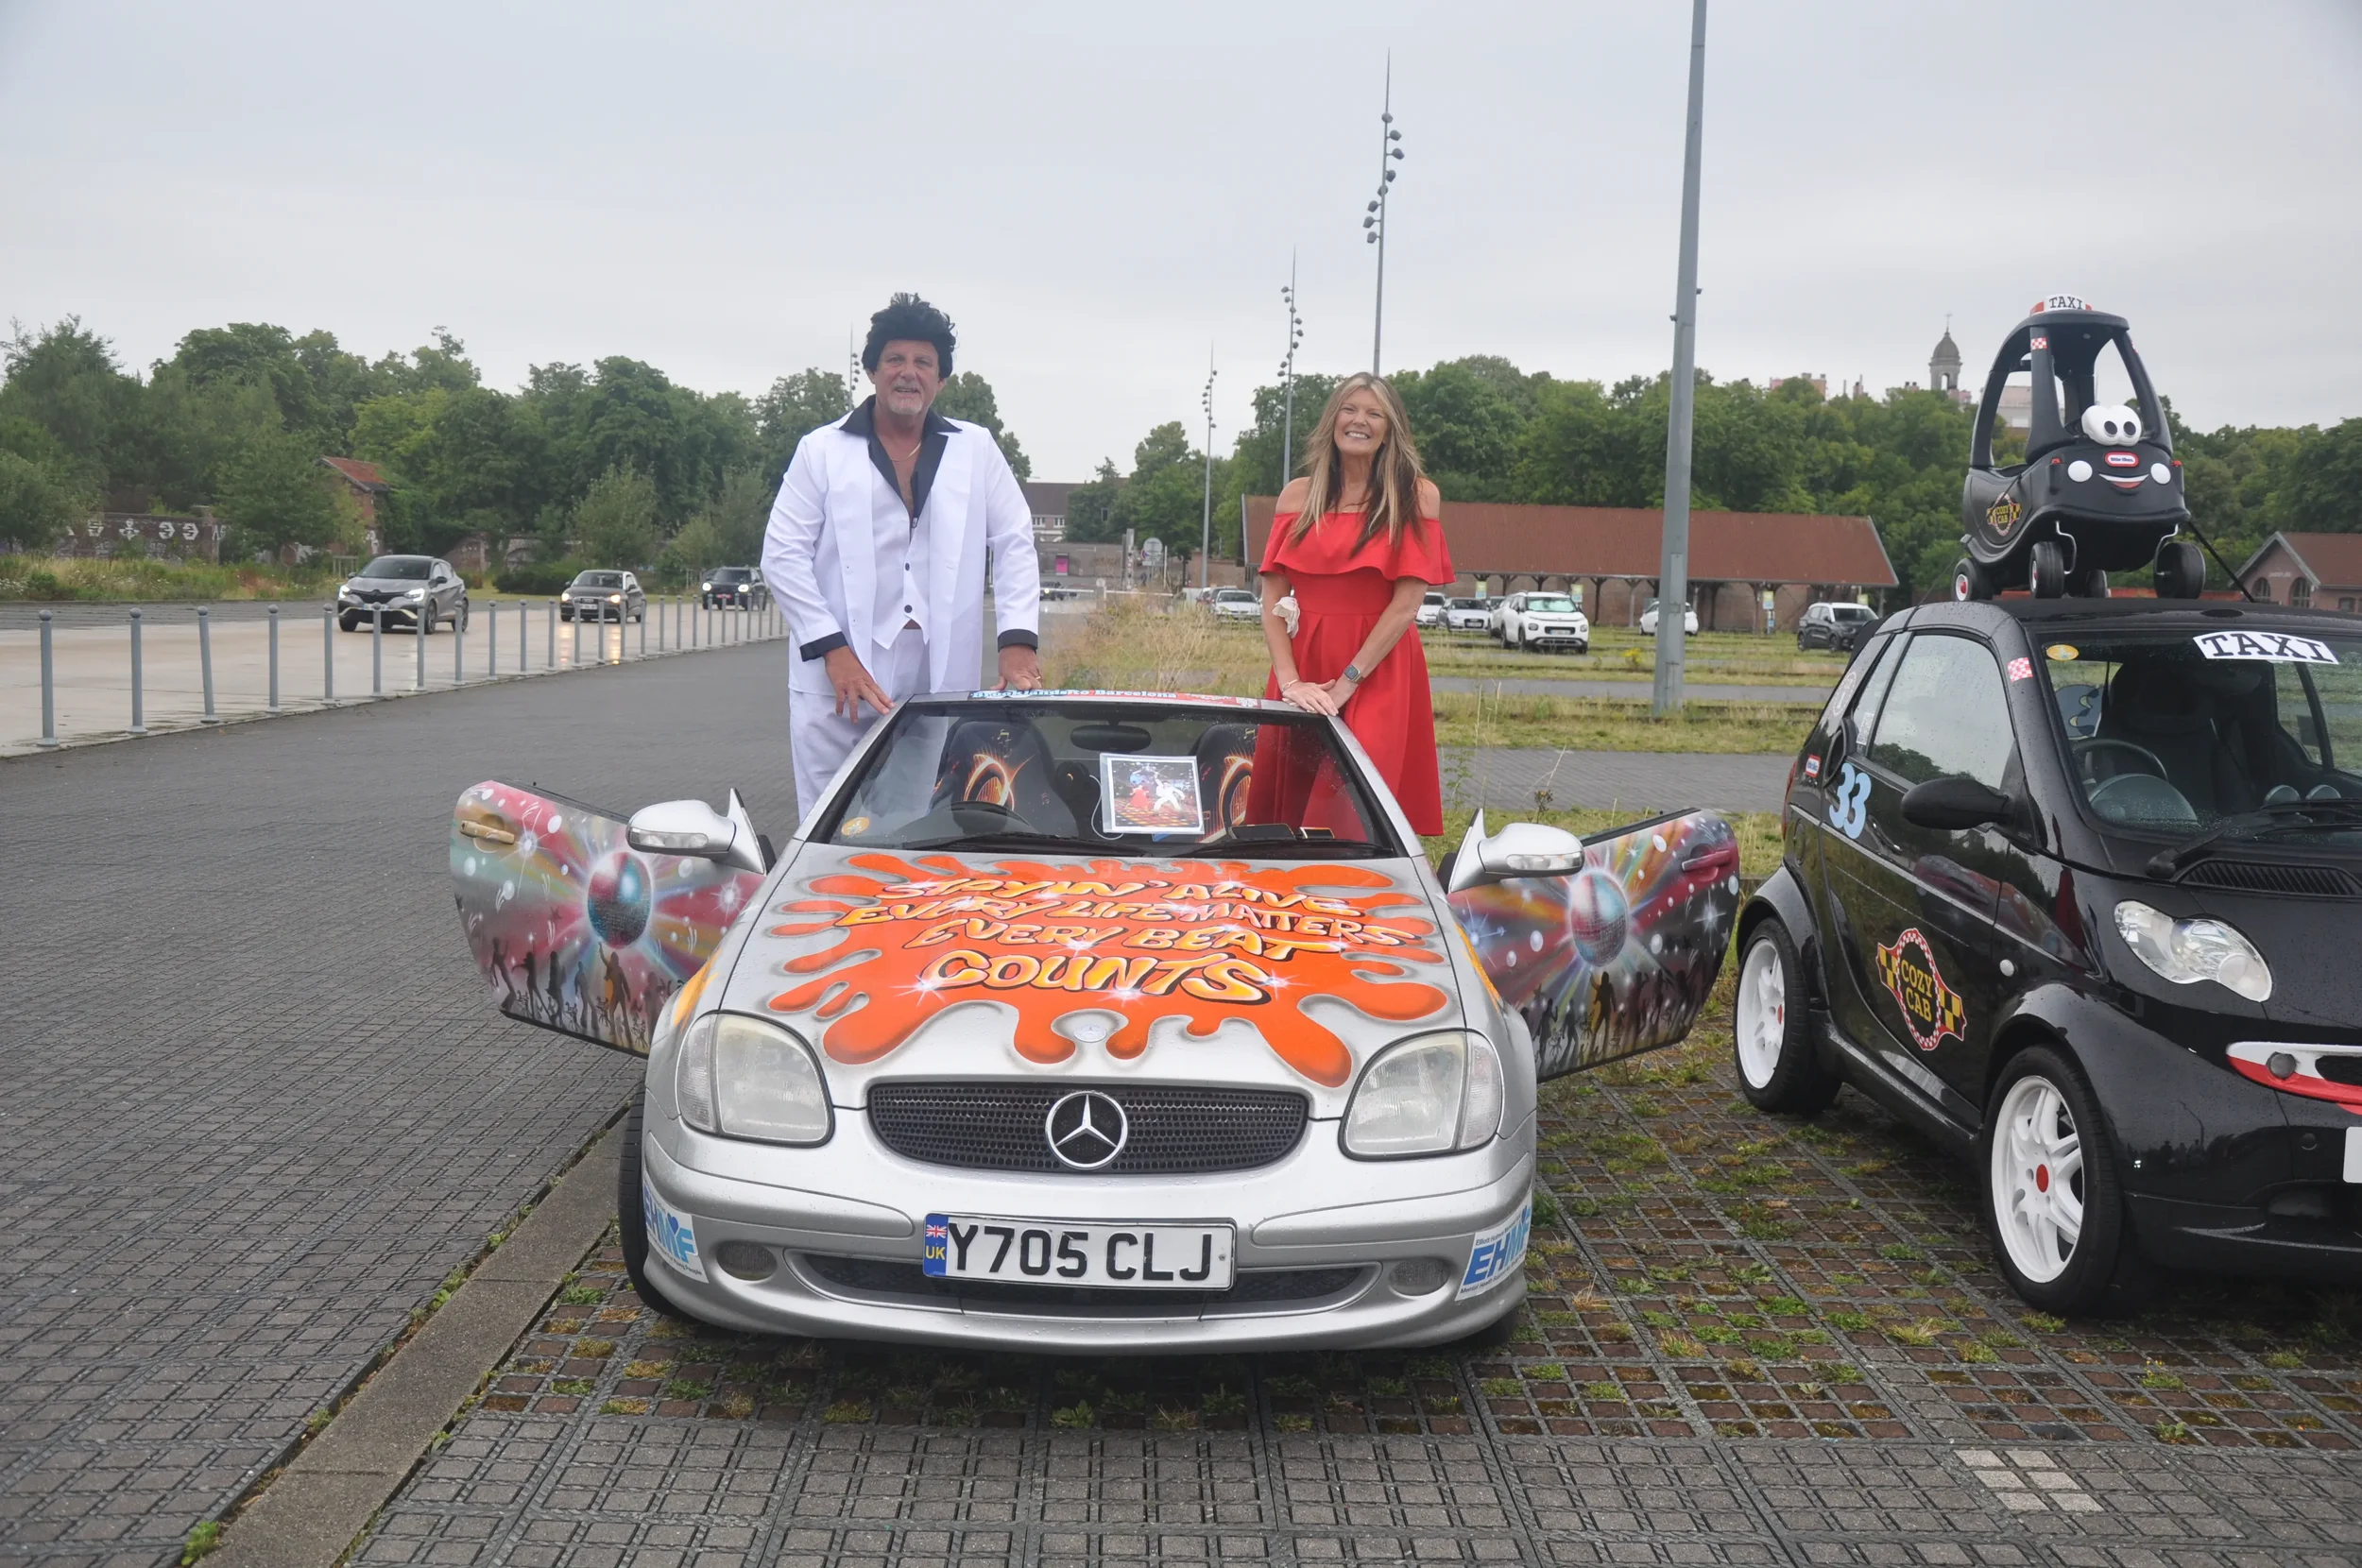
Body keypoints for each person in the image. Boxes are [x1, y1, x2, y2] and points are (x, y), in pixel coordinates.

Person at [762, 294, 1042, 815]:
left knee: (918, 824)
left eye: (923, 363)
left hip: (936, 682)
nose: (908, 374)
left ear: (941, 379)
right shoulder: (820, 451)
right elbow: (781, 555)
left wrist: (1017, 642)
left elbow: (1014, 541)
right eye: (895, 360)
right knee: (827, 826)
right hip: (837, 683)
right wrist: (832, 650)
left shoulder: (975, 449)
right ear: (872, 370)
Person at [1252, 372, 1453, 835]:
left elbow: (1406, 605)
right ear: (1333, 420)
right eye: (1349, 409)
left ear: (1390, 428)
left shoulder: (1416, 496)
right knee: (1291, 808)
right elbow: (1273, 600)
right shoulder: (1297, 496)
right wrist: (1290, 682)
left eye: (1373, 413)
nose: (1359, 421)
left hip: (1378, 669)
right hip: (1303, 666)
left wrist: (1346, 683)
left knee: (1355, 808)